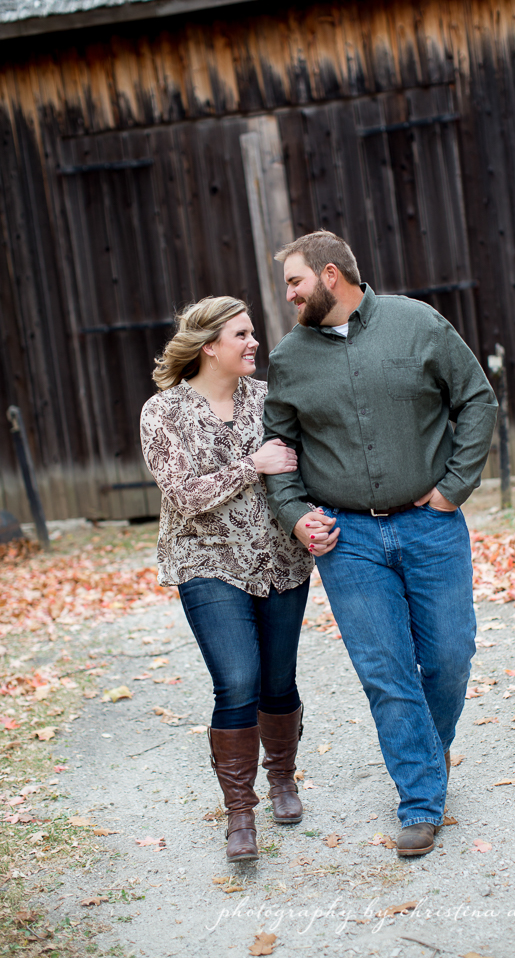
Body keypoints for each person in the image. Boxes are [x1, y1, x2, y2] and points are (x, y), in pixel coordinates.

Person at [262, 231, 498, 857]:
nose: (287, 296)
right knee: (386, 670)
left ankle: (426, 747)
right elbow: (279, 454)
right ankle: (420, 800)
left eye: (295, 282)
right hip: (349, 538)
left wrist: (454, 487)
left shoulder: (416, 322)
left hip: (430, 524)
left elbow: (476, 399)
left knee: (450, 654)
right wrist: (293, 514)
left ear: (330, 276)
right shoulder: (289, 360)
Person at [140, 297, 313, 863]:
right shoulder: (161, 413)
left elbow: (302, 469)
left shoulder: (268, 401)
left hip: (280, 560)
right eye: (242, 334)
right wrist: (251, 466)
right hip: (206, 560)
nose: (254, 342)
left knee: (278, 682)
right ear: (209, 345)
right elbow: (185, 496)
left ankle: (282, 780)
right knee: (237, 679)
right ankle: (241, 811)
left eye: (253, 333)